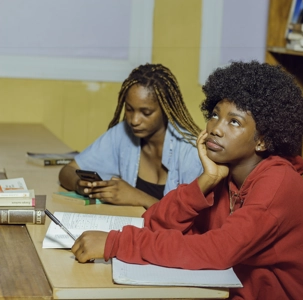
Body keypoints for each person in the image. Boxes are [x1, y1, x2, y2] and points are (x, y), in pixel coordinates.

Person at [71, 61, 303, 299]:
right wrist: (204, 182)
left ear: (263, 140)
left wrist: (117, 243)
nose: (215, 127)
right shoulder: (224, 174)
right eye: (215, 114)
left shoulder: (278, 184)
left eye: (234, 121)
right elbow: (154, 223)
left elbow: (218, 251)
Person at [59, 63, 203, 208]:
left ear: (167, 110)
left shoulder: (192, 153)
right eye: (129, 109)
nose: (134, 120)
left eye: (146, 113)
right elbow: (67, 171)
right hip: (134, 228)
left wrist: (139, 197)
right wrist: (79, 184)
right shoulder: (123, 133)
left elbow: (195, 224)